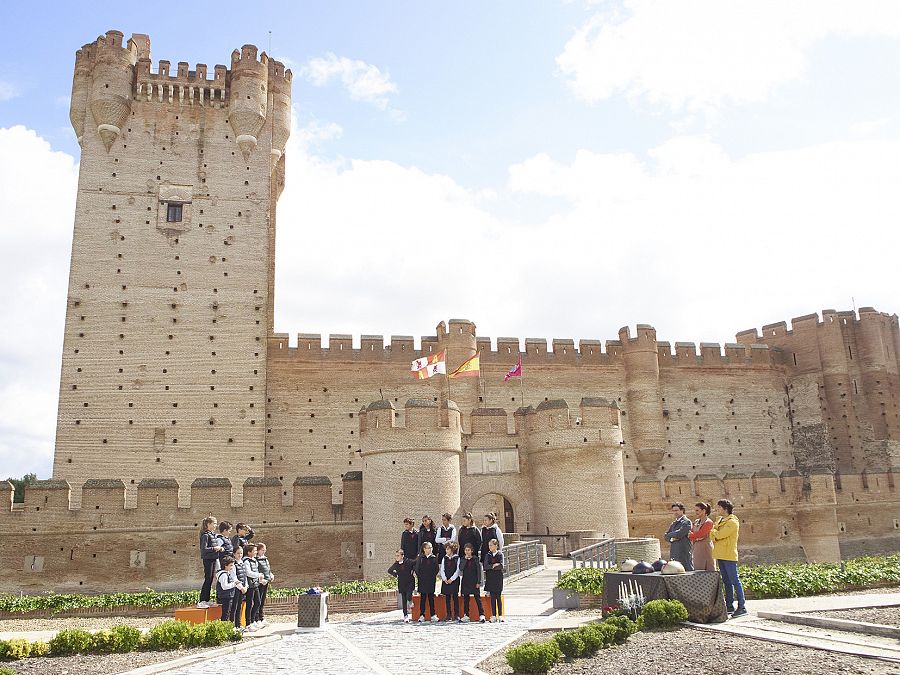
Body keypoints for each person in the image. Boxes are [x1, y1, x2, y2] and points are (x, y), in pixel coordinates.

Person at [711, 499, 747, 618]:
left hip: (729, 554)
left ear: (725, 509)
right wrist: (715, 533)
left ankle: (742, 606)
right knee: (726, 581)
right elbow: (714, 535)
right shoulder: (720, 520)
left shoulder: (732, 522)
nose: (717, 510)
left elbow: (719, 534)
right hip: (720, 554)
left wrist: (714, 532)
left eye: (719, 508)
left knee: (734, 580)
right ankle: (729, 605)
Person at [198, 516, 223, 608]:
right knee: (208, 579)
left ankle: (206, 600)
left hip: (213, 558)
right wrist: (214, 548)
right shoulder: (205, 535)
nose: (216, 525)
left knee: (210, 579)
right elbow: (204, 549)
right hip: (208, 559)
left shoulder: (211, 534)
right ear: (209, 524)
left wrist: (219, 548)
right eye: (214, 523)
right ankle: (202, 600)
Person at [459, 542, 486, 623]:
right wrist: (465, 560)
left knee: (477, 598)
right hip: (466, 581)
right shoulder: (463, 559)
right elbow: (461, 568)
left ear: (472, 551)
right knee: (466, 599)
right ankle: (466, 615)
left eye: (469, 550)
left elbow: (478, 571)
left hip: (474, 581)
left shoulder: (475, 559)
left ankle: (482, 615)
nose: (467, 552)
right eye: (466, 550)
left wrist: (478, 582)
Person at [388, 548, 416, 623]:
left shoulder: (408, 561)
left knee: (408, 596)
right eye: (396, 556)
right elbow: (389, 570)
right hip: (402, 583)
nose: (396, 557)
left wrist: (413, 570)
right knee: (403, 600)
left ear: (402, 556)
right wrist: (396, 575)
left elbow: (415, 563)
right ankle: (405, 615)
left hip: (410, 582)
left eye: (398, 556)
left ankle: (410, 601)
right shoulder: (396, 564)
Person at [664, 502, 694, 571]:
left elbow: (679, 534)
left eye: (677, 510)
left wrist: (671, 535)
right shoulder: (674, 523)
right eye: (674, 511)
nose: (675, 512)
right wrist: (672, 538)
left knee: (686, 569)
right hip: (674, 551)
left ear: (682, 510)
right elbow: (665, 536)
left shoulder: (686, 522)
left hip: (683, 550)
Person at [414, 541, 439, 622]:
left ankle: (433, 614)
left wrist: (432, 577)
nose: (430, 549)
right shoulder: (420, 558)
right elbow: (417, 569)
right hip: (422, 581)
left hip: (431, 581)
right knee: (423, 598)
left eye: (431, 548)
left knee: (431, 598)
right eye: (428, 548)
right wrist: (421, 578)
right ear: (424, 549)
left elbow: (436, 569)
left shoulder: (434, 558)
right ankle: (422, 615)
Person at [688, 502, 716, 572]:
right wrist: (694, 536)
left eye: (697, 510)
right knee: (697, 569)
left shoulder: (708, 522)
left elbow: (700, 534)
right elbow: (690, 535)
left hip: (706, 547)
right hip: (697, 547)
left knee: (709, 569)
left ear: (704, 511)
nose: (696, 512)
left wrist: (694, 535)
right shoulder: (697, 521)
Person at [242, 543, 264, 630]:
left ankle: (253, 620)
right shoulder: (246, 561)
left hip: (255, 584)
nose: (256, 552)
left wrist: (260, 579)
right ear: (249, 552)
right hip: (250, 585)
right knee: (249, 604)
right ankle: (248, 623)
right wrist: (258, 575)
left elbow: (255, 570)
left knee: (258, 602)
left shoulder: (254, 560)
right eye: (254, 551)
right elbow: (249, 573)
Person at [440, 541, 462, 622]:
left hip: (454, 581)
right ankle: (448, 615)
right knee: (447, 598)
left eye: (448, 549)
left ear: (452, 549)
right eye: (446, 549)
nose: (446, 551)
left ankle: (456, 615)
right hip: (446, 580)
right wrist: (445, 578)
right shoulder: (444, 558)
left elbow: (457, 570)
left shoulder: (457, 558)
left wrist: (452, 579)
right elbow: (442, 569)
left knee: (455, 597)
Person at [483, 538, 504, 622]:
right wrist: (493, 566)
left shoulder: (500, 554)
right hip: (490, 577)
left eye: (491, 545)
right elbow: (485, 566)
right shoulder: (488, 555)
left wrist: (494, 566)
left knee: (498, 596)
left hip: (498, 577)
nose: (490, 547)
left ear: (496, 546)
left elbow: (501, 565)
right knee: (492, 597)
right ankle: (493, 615)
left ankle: (501, 615)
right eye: (489, 545)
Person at [215, 555, 240, 621]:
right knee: (225, 614)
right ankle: (224, 628)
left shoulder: (227, 573)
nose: (232, 567)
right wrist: (234, 584)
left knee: (227, 613)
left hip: (228, 596)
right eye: (231, 565)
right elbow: (224, 586)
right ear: (226, 565)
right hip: (225, 597)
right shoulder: (223, 575)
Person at [255, 542, 275, 626]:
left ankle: (261, 617)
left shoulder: (265, 558)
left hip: (266, 581)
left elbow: (267, 568)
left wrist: (270, 574)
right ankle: (257, 618)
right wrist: (261, 579)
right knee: (258, 601)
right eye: (262, 550)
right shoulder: (256, 559)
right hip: (260, 582)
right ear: (258, 550)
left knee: (262, 600)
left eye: (265, 550)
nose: (264, 552)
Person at [230, 546, 249, 629]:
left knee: (239, 607)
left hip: (242, 589)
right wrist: (241, 587)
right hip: (236, 589)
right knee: (234, 606)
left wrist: (246, 586)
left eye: (241, 553)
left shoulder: (242, 563)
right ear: (234, 554)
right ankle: (232, 625)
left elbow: (245, 576)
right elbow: (234, 578)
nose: (240, 555)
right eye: (238, 553)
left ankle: (238, 624)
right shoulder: (233, 564)